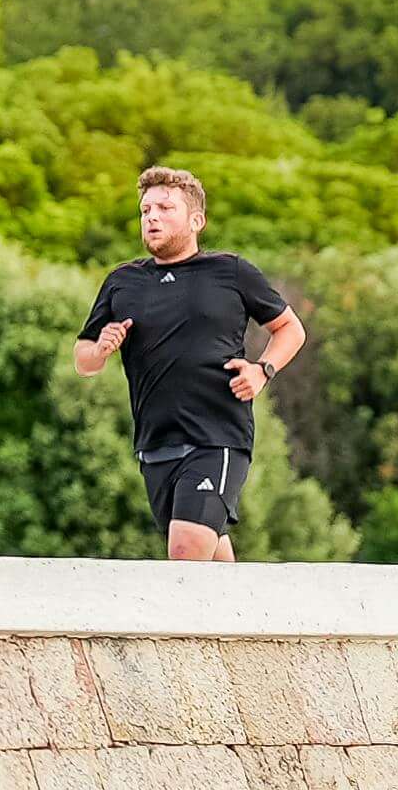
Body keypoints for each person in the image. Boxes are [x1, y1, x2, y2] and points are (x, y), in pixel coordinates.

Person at [71, 165, 304, 561]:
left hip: (217, 437)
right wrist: (102, 348)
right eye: (145, 210)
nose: (152, 217)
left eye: (164, 208)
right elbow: (84, 360)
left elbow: (290, 329)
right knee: (211, 563)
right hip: (155, 445)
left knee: (184, 555)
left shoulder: (230, 271)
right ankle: (249, 621)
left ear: (196, 220)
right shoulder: (122, 282)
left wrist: (261, 370)